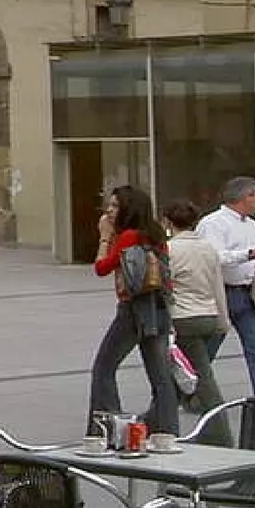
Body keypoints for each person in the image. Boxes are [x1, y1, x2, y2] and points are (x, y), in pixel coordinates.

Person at [88, 184, 178, 441]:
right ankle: (167, 431)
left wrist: (105, 237)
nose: (109, 210)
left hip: (134, 309)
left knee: (103, 367)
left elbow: (102, 267)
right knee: (160, 376)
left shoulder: (128, 236)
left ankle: (107, 428)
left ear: (129, 208)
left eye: (115, 205)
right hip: (159, 307)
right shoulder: (156, 234)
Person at [195, 175, 255, 397]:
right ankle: (189, 394)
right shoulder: (212, 223)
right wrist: (250, 253)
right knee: (205, 352)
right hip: (222, 294)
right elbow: (213, 257)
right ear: (245, 197)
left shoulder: (252, 225)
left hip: (251, 293)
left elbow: (253, 254)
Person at [162, 198, 231, 444]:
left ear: (168, 223)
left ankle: (220, 434)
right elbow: (217, 287)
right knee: (174, 376)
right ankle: (154, 422)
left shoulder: (169, 250)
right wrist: (223, 320)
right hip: (208, 314)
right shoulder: (207, 249)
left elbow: (166, 291)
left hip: (183, 318)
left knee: (201, 377)